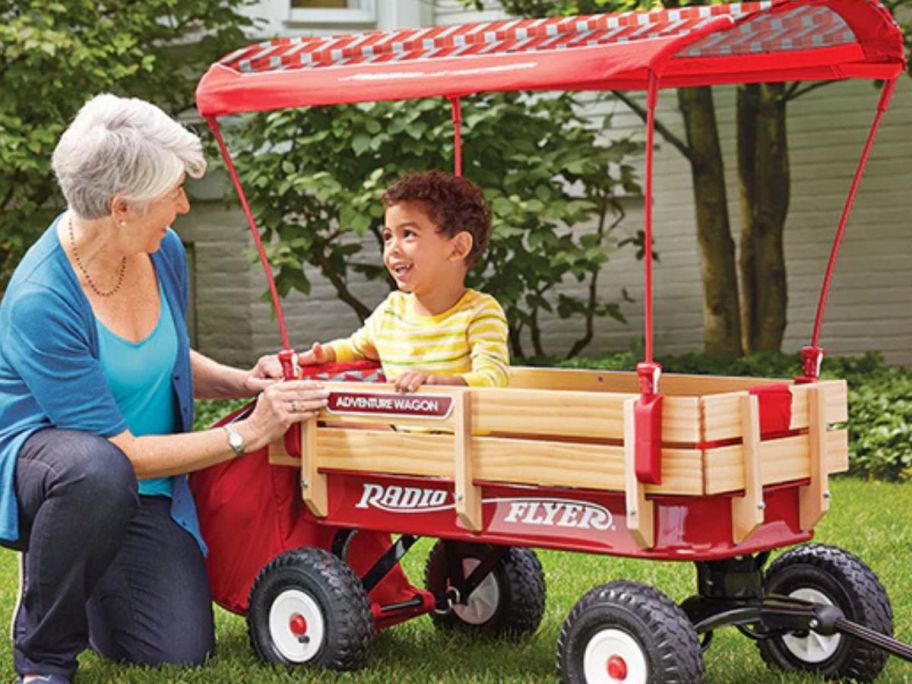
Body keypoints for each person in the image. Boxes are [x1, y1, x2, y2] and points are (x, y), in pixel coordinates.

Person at [0, 94, 330, 684]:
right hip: (61, 472)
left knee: (177, 650)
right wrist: (248, 432)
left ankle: (82, 567)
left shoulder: (161, 250)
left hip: (145, 487)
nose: (182, 205)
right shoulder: (41, 300)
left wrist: (244, 381)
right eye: (173, 192)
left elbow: (161, 355)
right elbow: (119, 453)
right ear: (121, 206)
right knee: (95, 472)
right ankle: (44, 652)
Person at [298, 170, 509, 391]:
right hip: (397, 426)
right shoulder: (391, 311)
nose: (392, 249)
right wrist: (325, 354)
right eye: (388, 236)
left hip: (457, 425)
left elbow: (493, 377)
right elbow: (355, 347)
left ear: (458, 248)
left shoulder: (479, 312)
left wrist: (443, 383)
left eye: (408, 234)